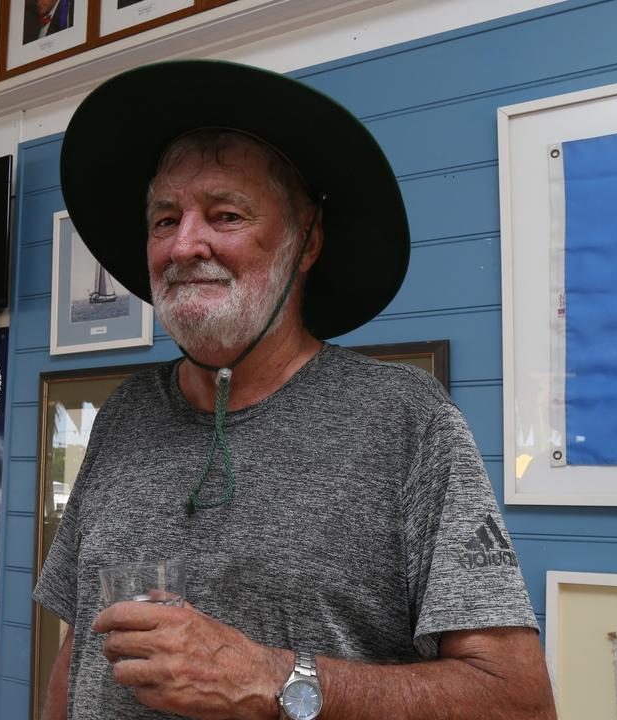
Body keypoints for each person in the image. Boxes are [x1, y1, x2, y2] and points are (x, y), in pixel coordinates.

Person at [33, 60, 556, 720]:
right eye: (165, 219)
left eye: (224, 214)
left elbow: (518, 702)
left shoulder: (404, 420)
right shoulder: (124, 415)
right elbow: (80, 647)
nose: (184, 243)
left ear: (306, 241)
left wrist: (279, 679)